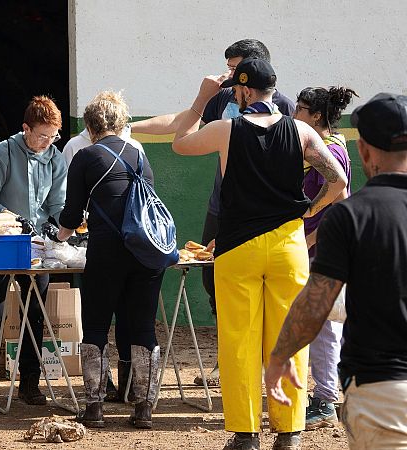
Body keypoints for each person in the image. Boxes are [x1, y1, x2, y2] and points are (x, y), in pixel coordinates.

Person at [171, 58, 347, 450]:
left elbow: (179, 143)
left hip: (238, 249)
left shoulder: (226, 130)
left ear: (245, 91)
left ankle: (247, 432)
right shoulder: (301, 131)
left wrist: (201, 100)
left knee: (239, 341)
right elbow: (339, 183)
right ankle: (289, 432)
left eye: (236, 89)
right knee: (288, 340)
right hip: (288, 247)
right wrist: (308, 210)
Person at [131, 39, 295, 387]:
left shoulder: (281, 107)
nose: (228, 75)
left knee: (261, 291)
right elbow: (182, 122)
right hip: (223, 207)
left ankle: (267, 367)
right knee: (215, 282)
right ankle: (230, 364)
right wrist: (129, 127)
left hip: (263, 219)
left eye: (235, 69)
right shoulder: (224, 96)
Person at [266, 93, 407, 449]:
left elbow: (316, 302)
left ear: (364, 152)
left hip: (382, 388)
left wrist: (281, 357)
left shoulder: (351, 216)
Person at [56, 91, 162, 429]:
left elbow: (71, 216)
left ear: (89, 128)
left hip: (106, 252)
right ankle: (144, 409)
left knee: (97, 326)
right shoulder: (140, 156)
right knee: (144, 326)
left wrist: (59, 235)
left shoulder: (85, 157)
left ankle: (94, 409)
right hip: (145, 253)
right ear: (120, 123)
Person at [0, 96, 67, 406]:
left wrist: (61, 222)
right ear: (25, 128)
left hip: (37, 245)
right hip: (2, 241)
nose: (46, 141)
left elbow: (57, 202)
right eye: (41, 135)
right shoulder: (3, 152)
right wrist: (13, 220)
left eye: (52, 135)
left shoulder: (55, 157)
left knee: (36, 313)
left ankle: (29, 382)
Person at [293, 86, 358, 430]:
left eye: (300, 109)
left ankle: (325, 400)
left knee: (325, 327)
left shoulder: (328, 152)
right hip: (321, 249)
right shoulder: (327, 148)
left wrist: (308, 238)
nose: (295, 115)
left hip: (322, 250)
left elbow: (339, 202)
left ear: (316, 116)